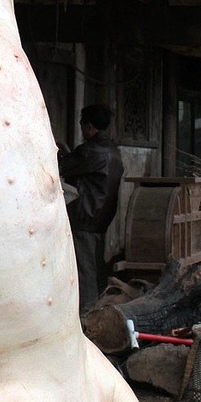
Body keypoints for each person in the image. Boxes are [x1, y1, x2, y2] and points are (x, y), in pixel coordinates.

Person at [58, 103, 124, 314]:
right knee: (96, 269)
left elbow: (63, 166)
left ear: (88, 125)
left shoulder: (89, 151)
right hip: (101, 218)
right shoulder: (113, 151)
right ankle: (97, 311)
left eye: (81, 124)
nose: (81, 129)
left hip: (85, 217)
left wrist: (59, 152)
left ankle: (87, 317)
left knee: (84, 272)